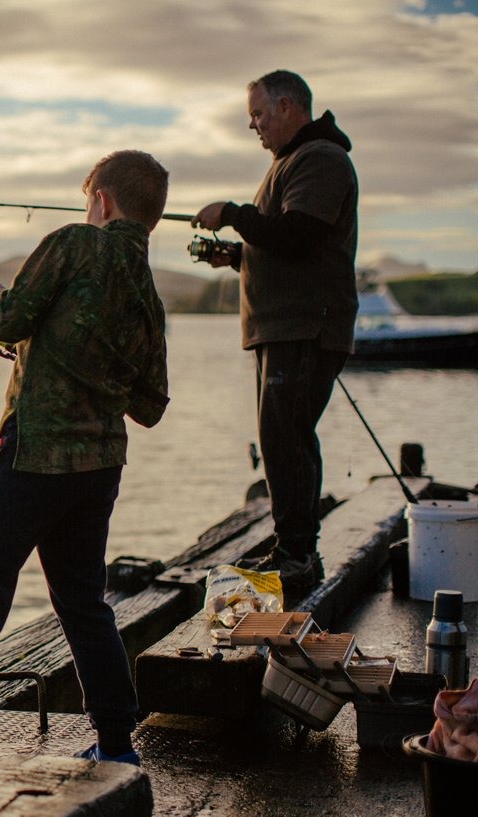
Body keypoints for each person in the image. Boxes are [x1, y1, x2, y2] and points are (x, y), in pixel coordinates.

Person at [0, 150, 170, 795]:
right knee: (83, 604)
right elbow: (150, 406)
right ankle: (117, 745)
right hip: (99, 466)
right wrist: (84, 362)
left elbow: (13, 317)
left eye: (87, 199)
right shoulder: (149, 291)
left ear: (101, 200)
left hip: (31, 456)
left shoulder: (74, 243)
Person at [193, 70, 358, 596]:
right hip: (281, 328)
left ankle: (298, 557)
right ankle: (293, 548)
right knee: (281, 438)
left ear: (288, 107)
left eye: (259, 115)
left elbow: (298, 238)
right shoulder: (292, 162)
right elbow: (282, 247)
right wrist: (237, 255)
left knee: (286, 438)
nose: (254, 126)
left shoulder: (322, 159)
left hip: (305, 328)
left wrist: (234, 214)